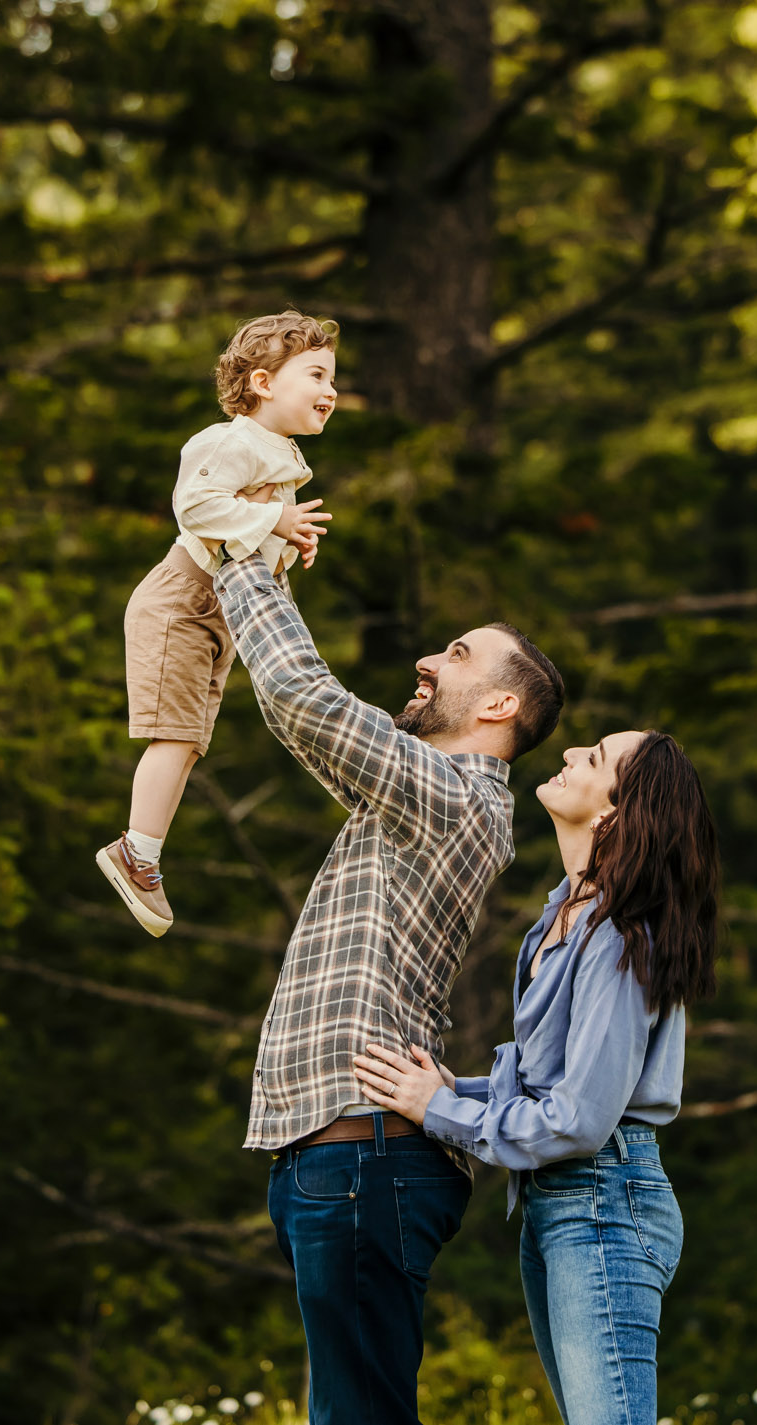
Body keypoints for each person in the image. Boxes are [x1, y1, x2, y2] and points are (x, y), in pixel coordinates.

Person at [215, 546, 565, 1425]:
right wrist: (264, 572)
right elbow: (299, 718)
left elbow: (308, 698)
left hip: (364, 1157)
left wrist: (239, 559)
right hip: (335, 1157)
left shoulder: (453, 796)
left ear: (499, 704)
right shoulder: (411, 796)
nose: (427, 659)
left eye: (455, 652)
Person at [351, 730, 721, 1425]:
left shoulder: (618, 936)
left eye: (596, 756)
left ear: (615, 812)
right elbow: (548, 1084)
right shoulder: (564, 916)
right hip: (559, 1203)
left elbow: (579, 1116)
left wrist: (441, 1111)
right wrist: (447, 1090)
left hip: (604, 1202)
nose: (573, 750)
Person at [97, 312, 338, 936]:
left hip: (219, 612)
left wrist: (289, 544)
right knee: (174, 735)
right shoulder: (229, 441)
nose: (331, 389)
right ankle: (136, 852)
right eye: (316, 374)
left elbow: (250, 526)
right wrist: (276, 524)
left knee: (189, 740)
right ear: (262, 382)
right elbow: (198, 506)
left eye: (332, 377)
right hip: (183, 600)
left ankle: (143, 851)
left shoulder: (280, 452)